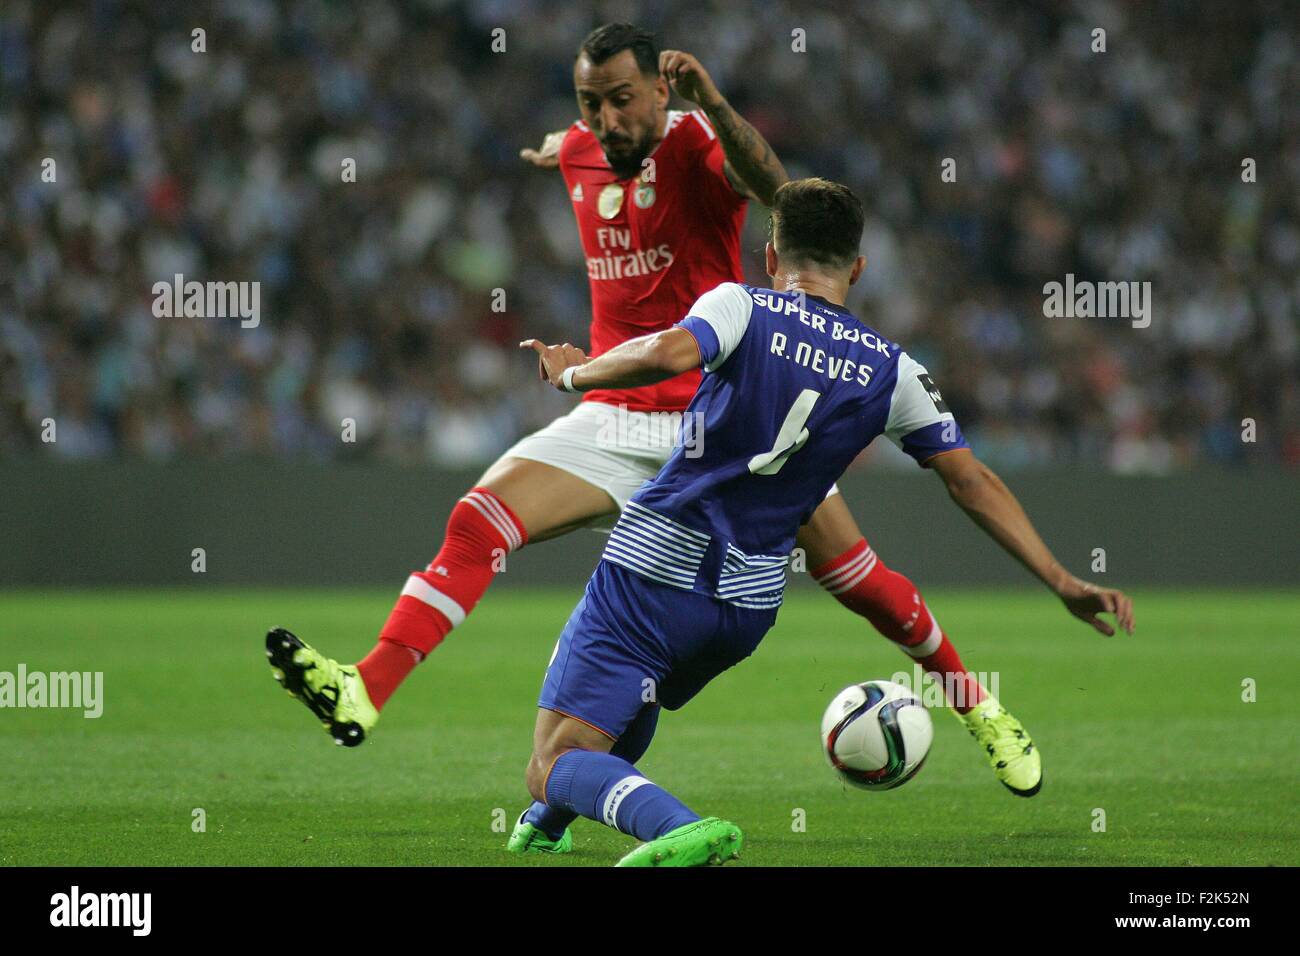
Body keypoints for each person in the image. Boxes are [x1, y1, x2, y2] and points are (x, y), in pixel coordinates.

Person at [264, 25, 1124, 826]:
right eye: (589, 101)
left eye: (622, 99)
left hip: (719, 417)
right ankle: (365, 688)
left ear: (657, 93)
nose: (605, 117)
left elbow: (775, 186)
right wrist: (552, 152)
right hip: (612, 415)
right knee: (477, 518)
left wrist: (711, 107)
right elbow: (568, 147)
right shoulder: (577, 151)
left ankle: (983, 710)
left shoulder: (696, 146)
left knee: (864, 583)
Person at [505, 177, 1134, 865]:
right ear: (858, 269)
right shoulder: (895, 372)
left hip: (657, 562)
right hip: (745, 607)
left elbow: (664, 354)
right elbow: (971, 481)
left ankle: (676, 827)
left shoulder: (740, 305)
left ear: (771, 257)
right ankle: (546, 824)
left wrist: (575, 375)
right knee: (625, 703)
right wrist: (1059, 578)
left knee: (551, 757)